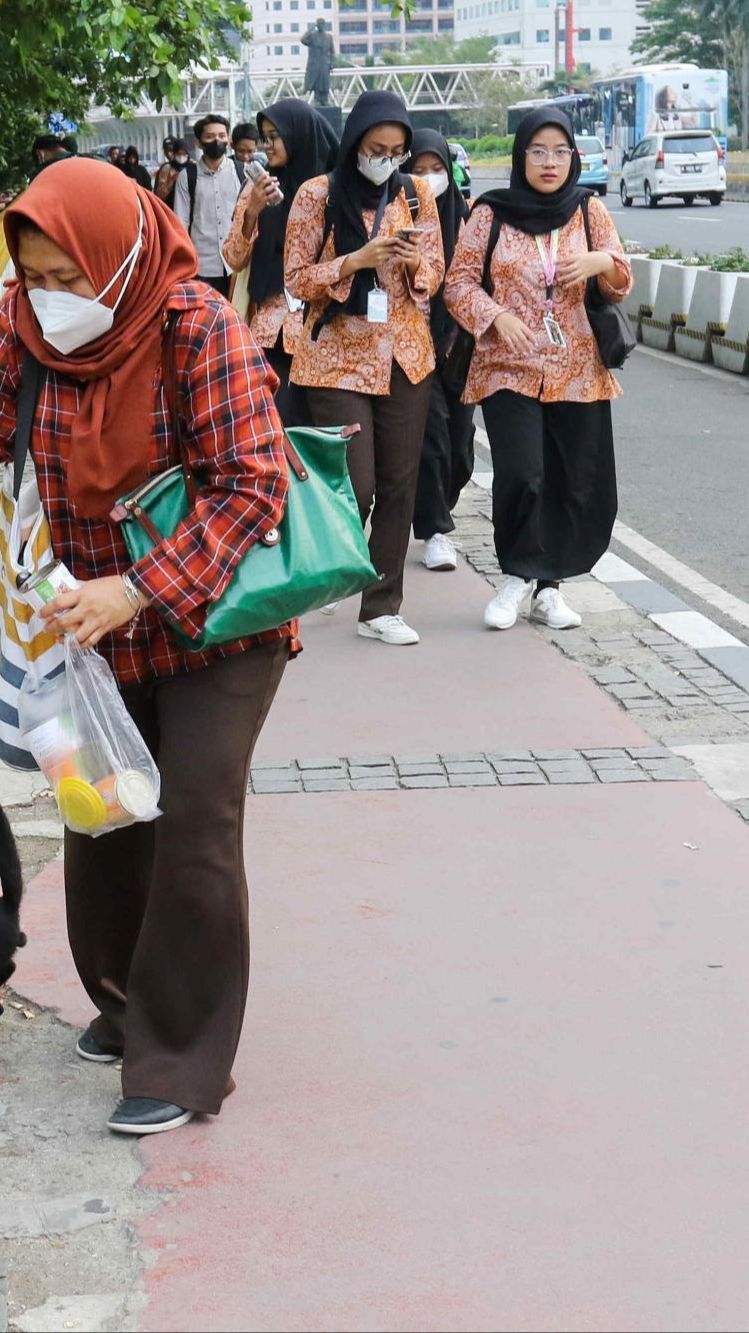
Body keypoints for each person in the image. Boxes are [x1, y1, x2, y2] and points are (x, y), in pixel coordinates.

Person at [1, 157, 293, 1135]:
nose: (52, 299)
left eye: (68, 277)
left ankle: (180, 1057)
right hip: (87, 624)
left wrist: (136, 589)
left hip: (215, 626)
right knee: (105, 814)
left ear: (120, 257)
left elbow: (252, 487)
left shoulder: (195, 327)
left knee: (195, 824)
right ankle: (125, 1003)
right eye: (33, 276)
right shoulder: (22, 331)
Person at [444, 108, 632, 632]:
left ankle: (549, 588)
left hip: (577, 369)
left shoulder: (589, 211)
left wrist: (601, 263)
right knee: (522, 473)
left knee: (569, 479)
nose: (549, 162)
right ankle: (515, 575)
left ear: (573, 158)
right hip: (509, 367)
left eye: (560, 152)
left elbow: (621, 280)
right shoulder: (490, 213)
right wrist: (495, 316)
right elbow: (458, 285)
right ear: (520, 155)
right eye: (537, 151)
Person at [285, 91, 443, 646]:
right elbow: (296, 278)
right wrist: (355, 261)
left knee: (401, 482)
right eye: (377, 148)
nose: (387, 160)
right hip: (337, 357)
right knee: (359, 483)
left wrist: (414, 262)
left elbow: (437, 274)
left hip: (405, 354)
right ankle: (328, 570)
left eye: (397, 151)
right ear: (355, 143)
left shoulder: (418, 195)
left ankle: (381, 606)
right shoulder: (317, 195)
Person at [223, 99, 338, 426]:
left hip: (322, 333)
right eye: (265, 137)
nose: (267, 145)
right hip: (268, 332)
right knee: (271, 428)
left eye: (275, 136)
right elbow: (233, 257)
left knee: (316, 435)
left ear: (298, 135)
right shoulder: (257, 189)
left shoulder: (331, 189)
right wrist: (252, 213)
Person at [405, 130, 474, 572]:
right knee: (431, 439)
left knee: (462, 448)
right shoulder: (397, 217)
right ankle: (434, 530)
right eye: (418, 170)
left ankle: (438, 505)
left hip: (461, 346)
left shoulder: (465, 218)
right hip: (415, 344)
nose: (429, 179)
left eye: (436, 170)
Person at [174, 115, 243, 296]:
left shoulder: (241, 172)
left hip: (237, 266)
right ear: (198, 142)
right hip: (202, 267)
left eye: (222, 135)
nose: (217, 141)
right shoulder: (187, 176)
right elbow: (180, 225)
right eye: (210, 137)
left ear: (229, 139)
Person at [302, 18, 335, 107]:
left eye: (322, 24)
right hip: (315, 63)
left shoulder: (329, 37)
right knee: (316, 82)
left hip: (325, 62)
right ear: (317, 25)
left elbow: (332, 52)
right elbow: (303, 39)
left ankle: (325, 99)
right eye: (319, 24)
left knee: (325, 81)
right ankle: (317, 99)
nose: (321, 25)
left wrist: (332, 63)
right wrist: (311, 29)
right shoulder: (312, 36)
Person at [153, 138, 190, 210]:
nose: (181, 157)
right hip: (170, 210)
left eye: (184, 154)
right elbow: (159, 195)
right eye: (179, 154)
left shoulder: (192, 168)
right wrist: (172, 181)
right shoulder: (167, 169)